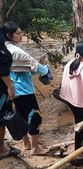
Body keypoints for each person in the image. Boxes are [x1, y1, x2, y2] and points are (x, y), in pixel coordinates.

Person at [2, 21, 52, 155]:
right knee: (35, 116)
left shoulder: (6, 48)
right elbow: (33, 64)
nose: (21, 35)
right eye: (18, 33)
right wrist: (46, 71)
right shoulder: (16, 51)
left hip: (13, 89)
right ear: (9, 35)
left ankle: (26, 144)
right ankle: (35, 149)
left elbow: (24, 67)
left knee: (22, 116)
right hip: (24, 89)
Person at [0, 29, 21, 159]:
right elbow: (2, 68)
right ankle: (1, 149)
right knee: (2, 117)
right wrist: (10, 86)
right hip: (1, 87)